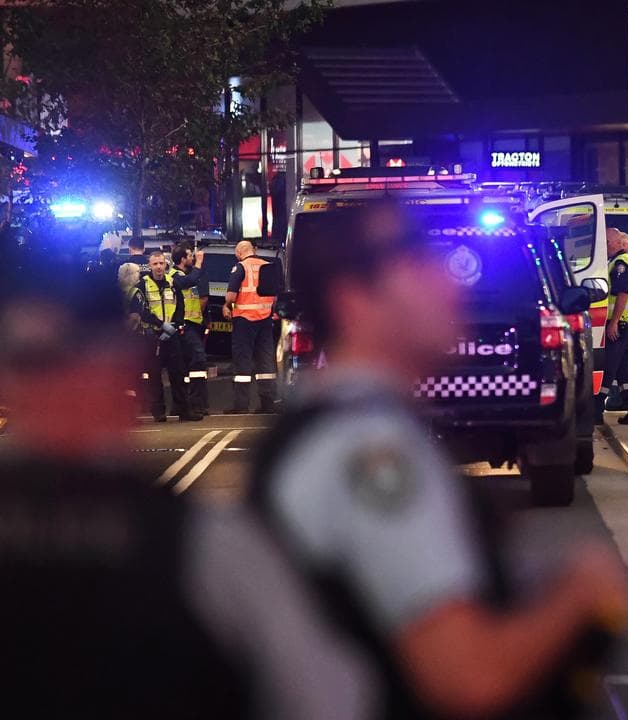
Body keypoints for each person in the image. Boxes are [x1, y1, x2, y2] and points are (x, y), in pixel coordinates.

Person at [250, 201, 628, 719]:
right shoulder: (372, 451)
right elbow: (469, 677)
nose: (450, 281)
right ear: (353, 301)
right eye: (415, 263)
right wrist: (579, 594)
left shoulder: (331, 429)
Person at [0, 257, 373, 720]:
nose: (54, 391)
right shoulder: (204, 541)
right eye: (37, 366)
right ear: (123, 366)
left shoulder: (210, 542)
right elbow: (325, 696)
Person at [133, 250, 201, 423]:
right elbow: (142, 310)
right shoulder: (142, 285)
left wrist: (174, 326)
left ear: (166, 264)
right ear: (150, 265)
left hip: (172, 335)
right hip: (152, 337)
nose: (158, 267)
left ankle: (184, 410)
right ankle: (159, 412)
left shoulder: (173, 283)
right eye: (155, 264)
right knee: (154, 376)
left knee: (178, 374)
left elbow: (180, 306)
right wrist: (160, 325)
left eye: (161, 263)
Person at [224, 240, 277, 414]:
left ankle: (241, 405)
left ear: (239, 253)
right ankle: (268, 403)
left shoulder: (240, 267)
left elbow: (231, 297)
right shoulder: (267, 266)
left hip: (244, 321)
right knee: (265, 361)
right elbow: (275, 296)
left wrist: (227, 307)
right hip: (265, 320)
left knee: (242, 362)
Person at [600, 228, 628, 425]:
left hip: (622, 323)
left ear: (617, 243)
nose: (606, 246)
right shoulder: (620, 262)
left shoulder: (620, 263)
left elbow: (622, 294)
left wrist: (614, 322)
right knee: (624, 370)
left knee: (607, 366)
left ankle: (594, 410)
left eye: (607, 242)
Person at [172, 244, 210, 417]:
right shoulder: (175, 275)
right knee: (197, 359)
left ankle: (193, 404)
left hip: (194, 324)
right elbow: (190, 281)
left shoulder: (187, 274)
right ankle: (195, 404)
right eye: (189, 255)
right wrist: (199, 263)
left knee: (189, 364)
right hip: (183, 324)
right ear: (182, 259)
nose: (192, 258)